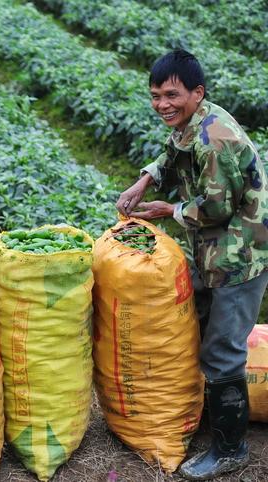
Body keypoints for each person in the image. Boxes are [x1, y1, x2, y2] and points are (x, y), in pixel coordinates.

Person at [116, 49, 268, 480]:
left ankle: (231, 450)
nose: (162, 104)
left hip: (240, 255)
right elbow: (170, 156)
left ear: (197, 93)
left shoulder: (215, 138)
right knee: (196, 321)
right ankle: (213, 412)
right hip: (211, 248)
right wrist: (142, 180)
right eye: (155, 95)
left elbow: (217, 207)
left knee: (223, 349)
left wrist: (169, 210)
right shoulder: (189, 124)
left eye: (172, 94)